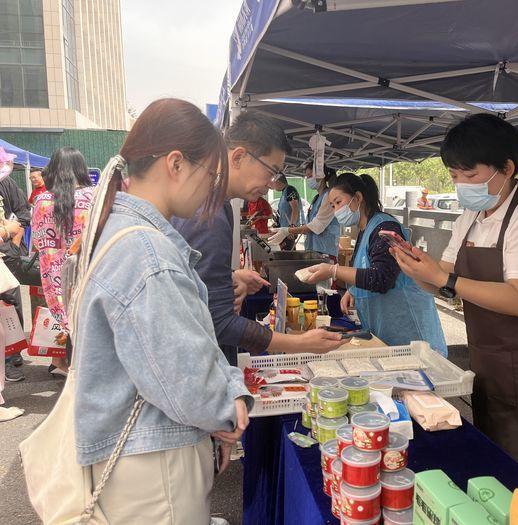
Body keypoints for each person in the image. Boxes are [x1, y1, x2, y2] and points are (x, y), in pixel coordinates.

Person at [73, 98, 251, 524]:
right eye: (210, 174)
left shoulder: (123, 232)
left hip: (139, 457)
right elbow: (188, 381)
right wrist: (230, 406)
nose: (211, 188)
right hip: (153, 469)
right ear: (175, 164)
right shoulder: (148, 254)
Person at [392, 114, 518, 494]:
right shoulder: (470, 215)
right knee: (501, 475)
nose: (460, 186)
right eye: (453, 176)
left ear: (507, 167)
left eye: (469, 176)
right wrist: (416, 268)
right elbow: (445, 279)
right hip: (494, 366)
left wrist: (444, 279)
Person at [172, 111, 342, 366]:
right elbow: (218, 322)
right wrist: (300, 343)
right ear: (239, 157)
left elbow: (190, 277)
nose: (271, 183)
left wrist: (229, 278)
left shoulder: (215, 203)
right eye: (271, 171)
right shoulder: (208, 212)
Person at [304, 173, 447, 354]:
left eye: (338, 203)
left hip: (410, 334)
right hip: (386, 334)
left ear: (357, 198)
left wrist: (333, 270)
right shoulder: (365, 229)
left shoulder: (385, 227)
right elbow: (368, 269)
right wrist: (353, 289)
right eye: (332, 206)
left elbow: (381, 277)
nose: (336, 211)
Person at [32, 147, 94, 377]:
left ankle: (71, 373)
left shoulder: (42, 200)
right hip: (87, 272)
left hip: (55, 278)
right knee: (88, 326)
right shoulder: (93, 197)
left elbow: (38, 242)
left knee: (69, 326)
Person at [268, 162, 340, 260]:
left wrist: (289, 230)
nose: (308, 180)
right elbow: (310, 227)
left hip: (325, 252)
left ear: (321, 175)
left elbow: (316, 226)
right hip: (314, 249)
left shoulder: (329, 196)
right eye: (307, 177)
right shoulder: (316, 198)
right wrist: (287, 231)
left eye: (310, 176)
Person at [0, 147, 30, 381]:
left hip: (6, 256)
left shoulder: (7, 184)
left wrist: (13, 238)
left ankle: (12, 357)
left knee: (10, 305)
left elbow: (23, 214)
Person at [269, 174, 300, 250]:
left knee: (289, 252)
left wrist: (291, 228)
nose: (273, 186)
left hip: (289, 231)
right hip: (284, 229)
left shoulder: (290, 190)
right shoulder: (284, 192)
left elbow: (295, 209)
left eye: (274, 184)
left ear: (278, 182)